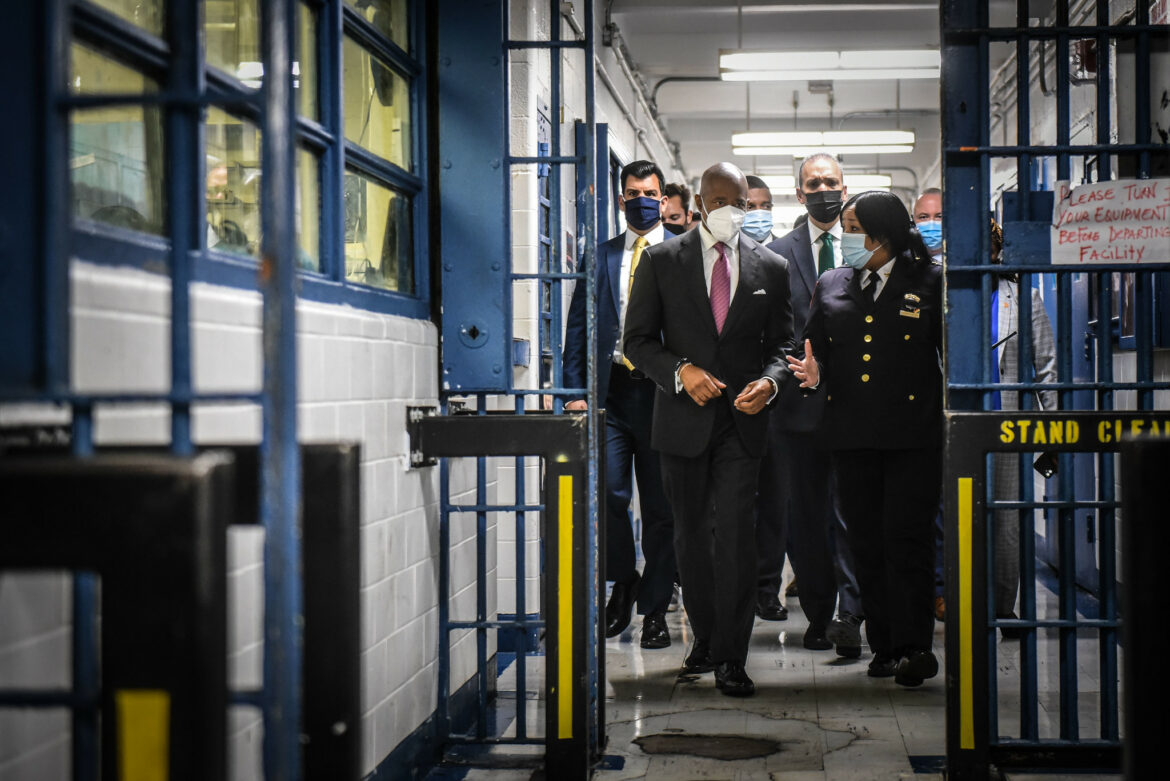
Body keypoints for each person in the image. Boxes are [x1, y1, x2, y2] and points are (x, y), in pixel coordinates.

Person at [623, 162, 795, 697]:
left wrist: (769, 383)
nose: (731, 211)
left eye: (739, 203)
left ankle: (731, 656)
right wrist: (680, 372)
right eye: (720, 201)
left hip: (742, 425)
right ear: (699, 201)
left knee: (737, 540)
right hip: (682, 422)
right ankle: (704, 635)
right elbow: (638, 342)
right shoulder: (661, 260)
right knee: (690, 536)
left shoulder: (771, 267)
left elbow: (783, 348)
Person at [787, 190, 943, 688]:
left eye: (855, 228)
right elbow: (814, 347)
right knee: (867, 545)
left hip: (912, 438)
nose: (847, 236)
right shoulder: (833, 283)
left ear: (883, 234)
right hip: (851, 436)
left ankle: (915, 645)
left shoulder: (931, 280)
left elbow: (948, 354)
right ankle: (885, 645)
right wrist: (812, 372)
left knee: (908, 541)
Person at [562, 160, 677, 650]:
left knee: (662, 506)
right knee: (609, 495)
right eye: (632, 193)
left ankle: (654, 609)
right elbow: (577, 329)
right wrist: (572, 392)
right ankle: (623, 579)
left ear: (664, 197)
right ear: (620, 197)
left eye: (649, 192)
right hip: (611, 392)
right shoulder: (601, 256)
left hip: (664, 394)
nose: (641, 200)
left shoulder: (682, 252)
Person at [762, 153, 865, 656]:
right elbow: (773, 332)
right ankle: (820, 615)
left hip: (860, 406)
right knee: (805, 519)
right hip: (797, 410)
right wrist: (792, 370)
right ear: (799, 195)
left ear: (845, 188)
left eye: (832, 181)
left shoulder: (868, 249)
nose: (824, 189)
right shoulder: (776, 256)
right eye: (813, 183)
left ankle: (854, 611)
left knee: (854, 515)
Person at [988, 218, 1058, 635]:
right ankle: (946, 598)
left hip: (1006, 425)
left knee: (1007, 521)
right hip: (945, 424)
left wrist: (1050, 430)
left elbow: (1046, 367)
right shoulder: (935, 293)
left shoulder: (1024, 296)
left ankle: (1003, 607)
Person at [911, 186, 946, 620]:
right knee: (928, 509)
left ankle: (993, 597)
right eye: (922, 217)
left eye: (937, 216)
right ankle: (936, 588)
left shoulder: (973, 275)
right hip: (919, 411)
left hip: (975, 411)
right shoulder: (909, 277)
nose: (930, 225)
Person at [742, 175, 779, 243]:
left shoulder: (786, 250)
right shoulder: (727, 251)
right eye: (750, 207)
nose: (759, 214)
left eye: (766, 206)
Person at [913, 188, 944, 259]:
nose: (931, 226)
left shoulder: (965, 261)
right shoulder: (904, 261)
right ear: (913, 220)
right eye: (923, 217)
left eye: (939, 216)